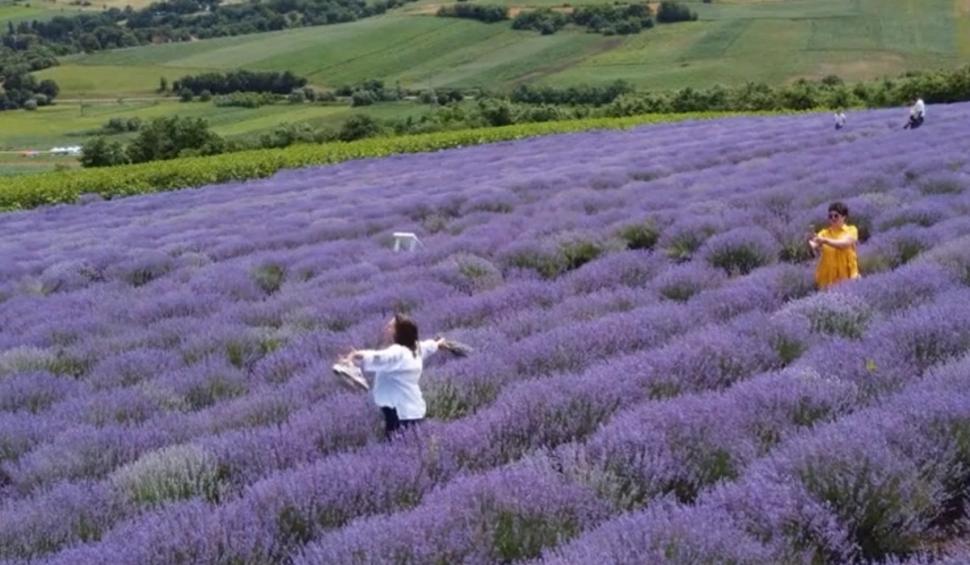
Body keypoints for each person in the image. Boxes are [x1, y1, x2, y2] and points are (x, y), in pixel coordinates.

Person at [344, 314, 444, 440]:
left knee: (401, 447)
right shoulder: (414, 349)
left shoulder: (398, 352)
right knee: (414, 446)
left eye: (391, 327)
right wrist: (438, 344)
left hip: (399, 414)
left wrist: (356, 355)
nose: (387, 329)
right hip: (413, 410)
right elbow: (427, 346)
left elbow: (380, 357)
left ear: (399, 333)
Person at [809, 201, 860, 289]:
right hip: (827, 279)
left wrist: (825, 241)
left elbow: (845, 244)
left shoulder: (851, 230)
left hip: (847, 277)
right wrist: (810, 241)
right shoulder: (824, 233)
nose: (833, 218)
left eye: (836, 216)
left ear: (844, 217)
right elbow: (814, 245)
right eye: (830, 216)